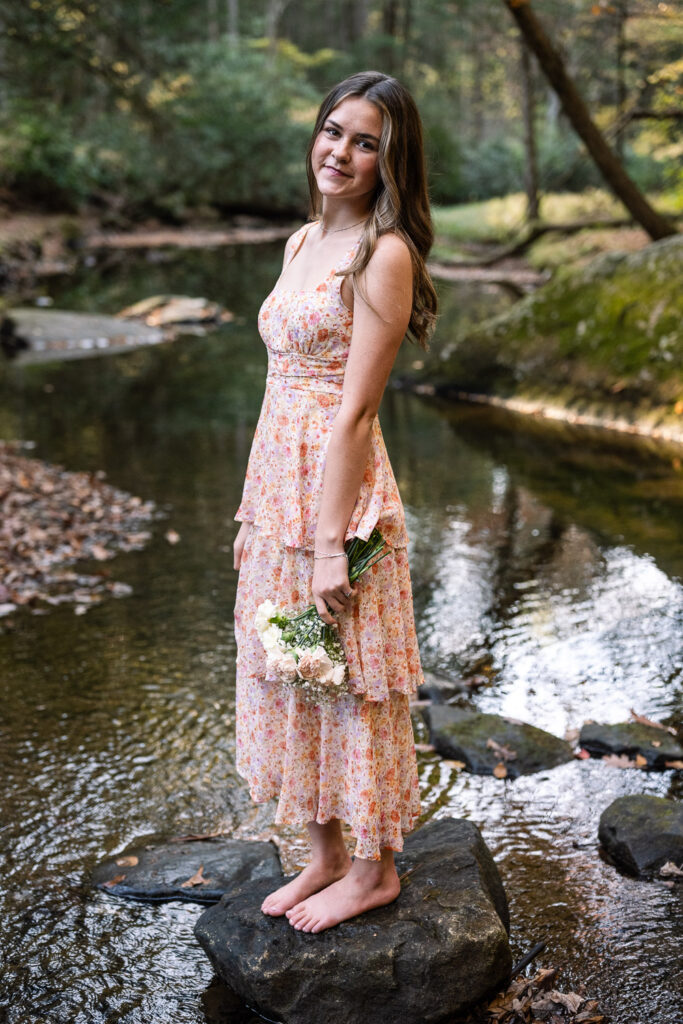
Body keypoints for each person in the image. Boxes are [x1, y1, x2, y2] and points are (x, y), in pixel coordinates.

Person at [232, 70, 437, 934]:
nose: (340, 152)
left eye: (365, 143)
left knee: (349, 676)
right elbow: (278, 387)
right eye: (333, 131)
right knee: (288, 668)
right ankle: (319, 856)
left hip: (340, 501)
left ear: (390, 162)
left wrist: (326, 544)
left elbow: (354, 410)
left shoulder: (382, 254)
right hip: (276, 487)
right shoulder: (299, 240)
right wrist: (249, 512)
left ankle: (371, 869)